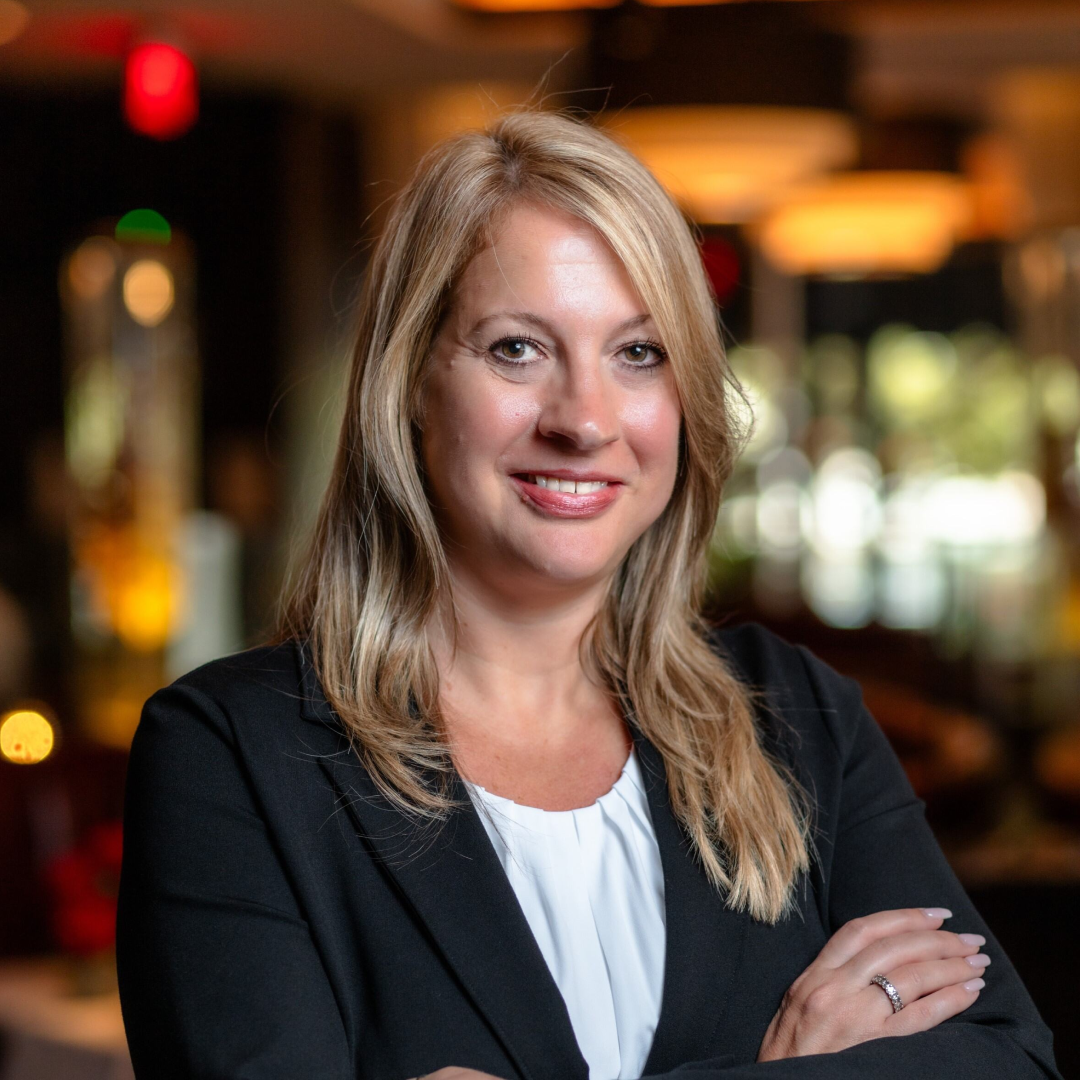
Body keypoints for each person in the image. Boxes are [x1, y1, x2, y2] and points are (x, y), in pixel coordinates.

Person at [116, 110, 1061, 1080]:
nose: (586, 420)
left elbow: (1008, 1064)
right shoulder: (233, 758)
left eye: (638, 353)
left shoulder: (801, 721)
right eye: (518, 349)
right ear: (409, 383)